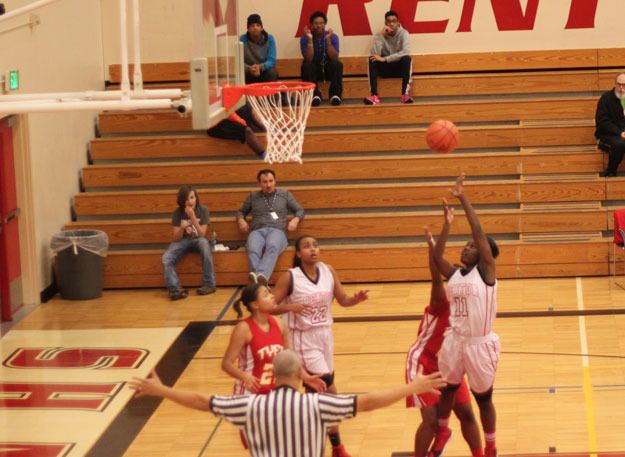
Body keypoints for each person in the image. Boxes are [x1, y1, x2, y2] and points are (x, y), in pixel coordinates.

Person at [129, 349, 447, 457]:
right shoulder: (317, 405)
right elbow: (367, 403)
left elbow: (201, 400)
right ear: (299, 374)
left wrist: (162, 390)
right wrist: (411, 387)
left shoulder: (250, 406)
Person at [271, 235, 368, 457]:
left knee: (318, 392)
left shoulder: (328, 271)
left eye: (315, 245)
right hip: (302, 339)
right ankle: (337, 447)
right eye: (306, 246)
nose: (313, 249)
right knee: (328, 391)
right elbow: (268, 306)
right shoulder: (290, 277)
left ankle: (305, 435)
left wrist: (357, 299)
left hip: (325, 336)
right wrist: (289, 307)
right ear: (298, 253)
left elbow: (343, 300)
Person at [432, 173, 501, 457]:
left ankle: (491, 445)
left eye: (472, 247)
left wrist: (463, 197)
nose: (467, 247)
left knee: (483, 399)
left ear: (485, 254)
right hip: (455, 341)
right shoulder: (456, 274)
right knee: (447, 389)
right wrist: (446, 227)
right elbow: (437, 260)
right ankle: (443, 431)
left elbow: (480, 234)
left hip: (479, 344)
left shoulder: (486, 272)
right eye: (467, 245)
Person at [406, 227, 482, 457]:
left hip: (450, 365)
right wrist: (432, 247)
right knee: (430, 420)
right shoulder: (442, 298)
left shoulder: (473, 302)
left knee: (467, 414)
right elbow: (435, 276)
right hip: (424, 361)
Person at [221, 282, 325, 395]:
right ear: (255, 304)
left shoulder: (280, 324)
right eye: (266, 295)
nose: (272, 296)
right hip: (249, 393)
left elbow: (290, 359)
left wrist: (305, 377)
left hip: (274, 392)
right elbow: (226, 364)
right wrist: (244, 376)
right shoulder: (243, 329)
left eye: (270, 293)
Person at [236, 169, 304, 286]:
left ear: (275, 181)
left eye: (271, 181)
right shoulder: (253, 196)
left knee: (272, 246)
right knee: (252, 248)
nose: (268, 185)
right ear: (259, 183)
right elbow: (240, 211)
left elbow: (300, 210)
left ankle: (258, 281)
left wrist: (296, 219)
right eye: (265, 182)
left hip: (277, 231)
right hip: (257, 231)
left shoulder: (285, 194)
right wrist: (241, 220)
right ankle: (261, 283)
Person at [161, 185, 216, 300]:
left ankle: (209, 284)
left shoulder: (203, 210)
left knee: (206, 247)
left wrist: (193, 217)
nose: (190, 201)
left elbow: (202, 234)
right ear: (182, 201)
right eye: (186, 199)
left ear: (196, 198)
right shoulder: (177, 213)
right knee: (167, 257)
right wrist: (181, 228)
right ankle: (175, 289)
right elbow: (175, 239)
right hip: (183, 240)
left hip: (198, 239)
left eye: (192, 197)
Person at [364, 10, 413, 105]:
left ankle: (404, 94)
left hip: (399, 69)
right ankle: (374, 95)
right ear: (385, 23)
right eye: (389, 21)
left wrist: (385, 58)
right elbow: (375, 54)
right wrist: (381, 36)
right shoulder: (380, 35)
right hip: (385, 69)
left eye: (394, 21)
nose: (391, 24)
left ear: (398, 23)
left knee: (407, 58)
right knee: (371, 59)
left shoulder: (404, 33)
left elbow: (406, 51)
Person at [300, 11, 343, 106]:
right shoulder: (305, 38)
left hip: (328, 69)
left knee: (337, 64)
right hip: (314, 71)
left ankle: (335, 95)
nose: (319, 26)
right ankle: (315, 95)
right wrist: (310, 40)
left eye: (321, 23)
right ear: (312, 25)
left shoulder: (333, 37)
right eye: (316, 23)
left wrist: (328, 41)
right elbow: (308, 59)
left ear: (325, 24)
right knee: (307, 65)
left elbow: (335, 58)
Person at [595, 72, 625, 177]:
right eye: (619, 84)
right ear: (615, 84)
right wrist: (620, 133)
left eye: (624, 85)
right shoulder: (606, 98)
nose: (621, 88)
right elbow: (602, 122)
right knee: (620, 144)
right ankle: (611, 171)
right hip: (608, 135)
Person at [240, 14, 278, 84]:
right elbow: (239, 61)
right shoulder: (241, 40)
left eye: (258, 25)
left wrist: (260, 67)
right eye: (252, 26)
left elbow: (272, 60)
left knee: (272, 73)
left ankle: (269, 94)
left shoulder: (270, 39)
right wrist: (249, 68)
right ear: (248, 29)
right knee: (240, 73)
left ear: (261, 28)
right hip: (248, 72)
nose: (255, 28)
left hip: (264, 71)